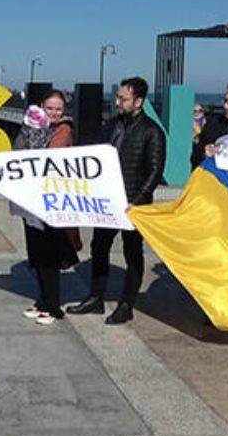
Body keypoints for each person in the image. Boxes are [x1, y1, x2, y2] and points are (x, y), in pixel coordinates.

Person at [67, 76, 165, 325]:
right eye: (118, 97)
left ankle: (126, 304)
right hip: (107, 201)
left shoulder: (152, 131)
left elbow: (155, 171)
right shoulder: (111, 125)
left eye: (123, 98)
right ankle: (96, 297)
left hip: (133, 205)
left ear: (138, 101)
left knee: (132, 252)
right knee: (99, 247)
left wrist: (137, 201)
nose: (118, 102)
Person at [14, 91, 80, 325]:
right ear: (41, 106)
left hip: (52, 203)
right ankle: (43, 301)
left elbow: (50, 157)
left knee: (50, 257)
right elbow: (17, 150)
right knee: (38, 254)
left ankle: (53, 307)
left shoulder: (63, 129)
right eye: (49, 108)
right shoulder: (30, 127)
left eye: (58, 109)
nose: (53, 113)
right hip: (32, 202)